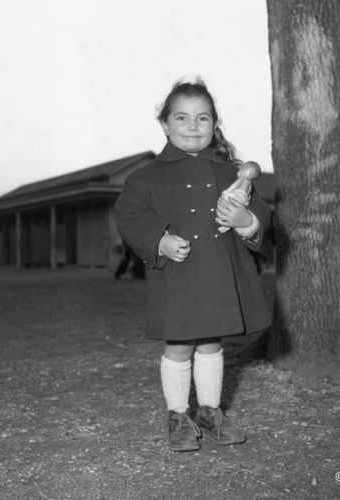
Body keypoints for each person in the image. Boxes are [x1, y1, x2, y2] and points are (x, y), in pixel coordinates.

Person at [115, 79, 271, 452]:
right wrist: (159, 240)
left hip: (218, 273)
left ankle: (210, 413)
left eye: (203, 118)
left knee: (212, 343)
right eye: (181, 117)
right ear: (165, 124)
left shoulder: (232, 173)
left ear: (214, 124)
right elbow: (129, 217)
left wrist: (245, 220)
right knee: (179, 345)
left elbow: (260, 213)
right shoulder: (145, 177)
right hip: (177, 275)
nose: (192, 126)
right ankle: (177, 416)